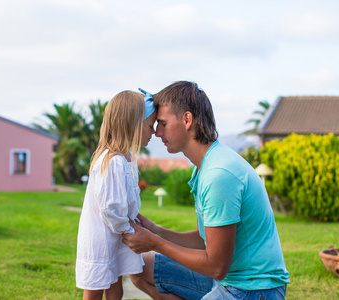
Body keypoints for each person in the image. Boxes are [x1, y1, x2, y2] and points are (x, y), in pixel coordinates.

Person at [122, 81, 290, 300]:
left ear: (187, 119)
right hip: (227, 279)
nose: (156, 132)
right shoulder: (206, 166)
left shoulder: (219, 175)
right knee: (141, 268)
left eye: (162, 123)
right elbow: (207, 239)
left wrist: (156, 243)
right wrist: (157, 231)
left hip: (254, 289)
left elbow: (216, 266)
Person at [76, 89, 157, 300]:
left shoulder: (126, 160)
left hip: (116, 236)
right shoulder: (113, 161)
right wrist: (127, 229)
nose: (154, 132)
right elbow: (111, 207)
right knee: (95, 289)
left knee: (116, 288)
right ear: (133, 125)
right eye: (150, 125)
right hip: (104, 238)